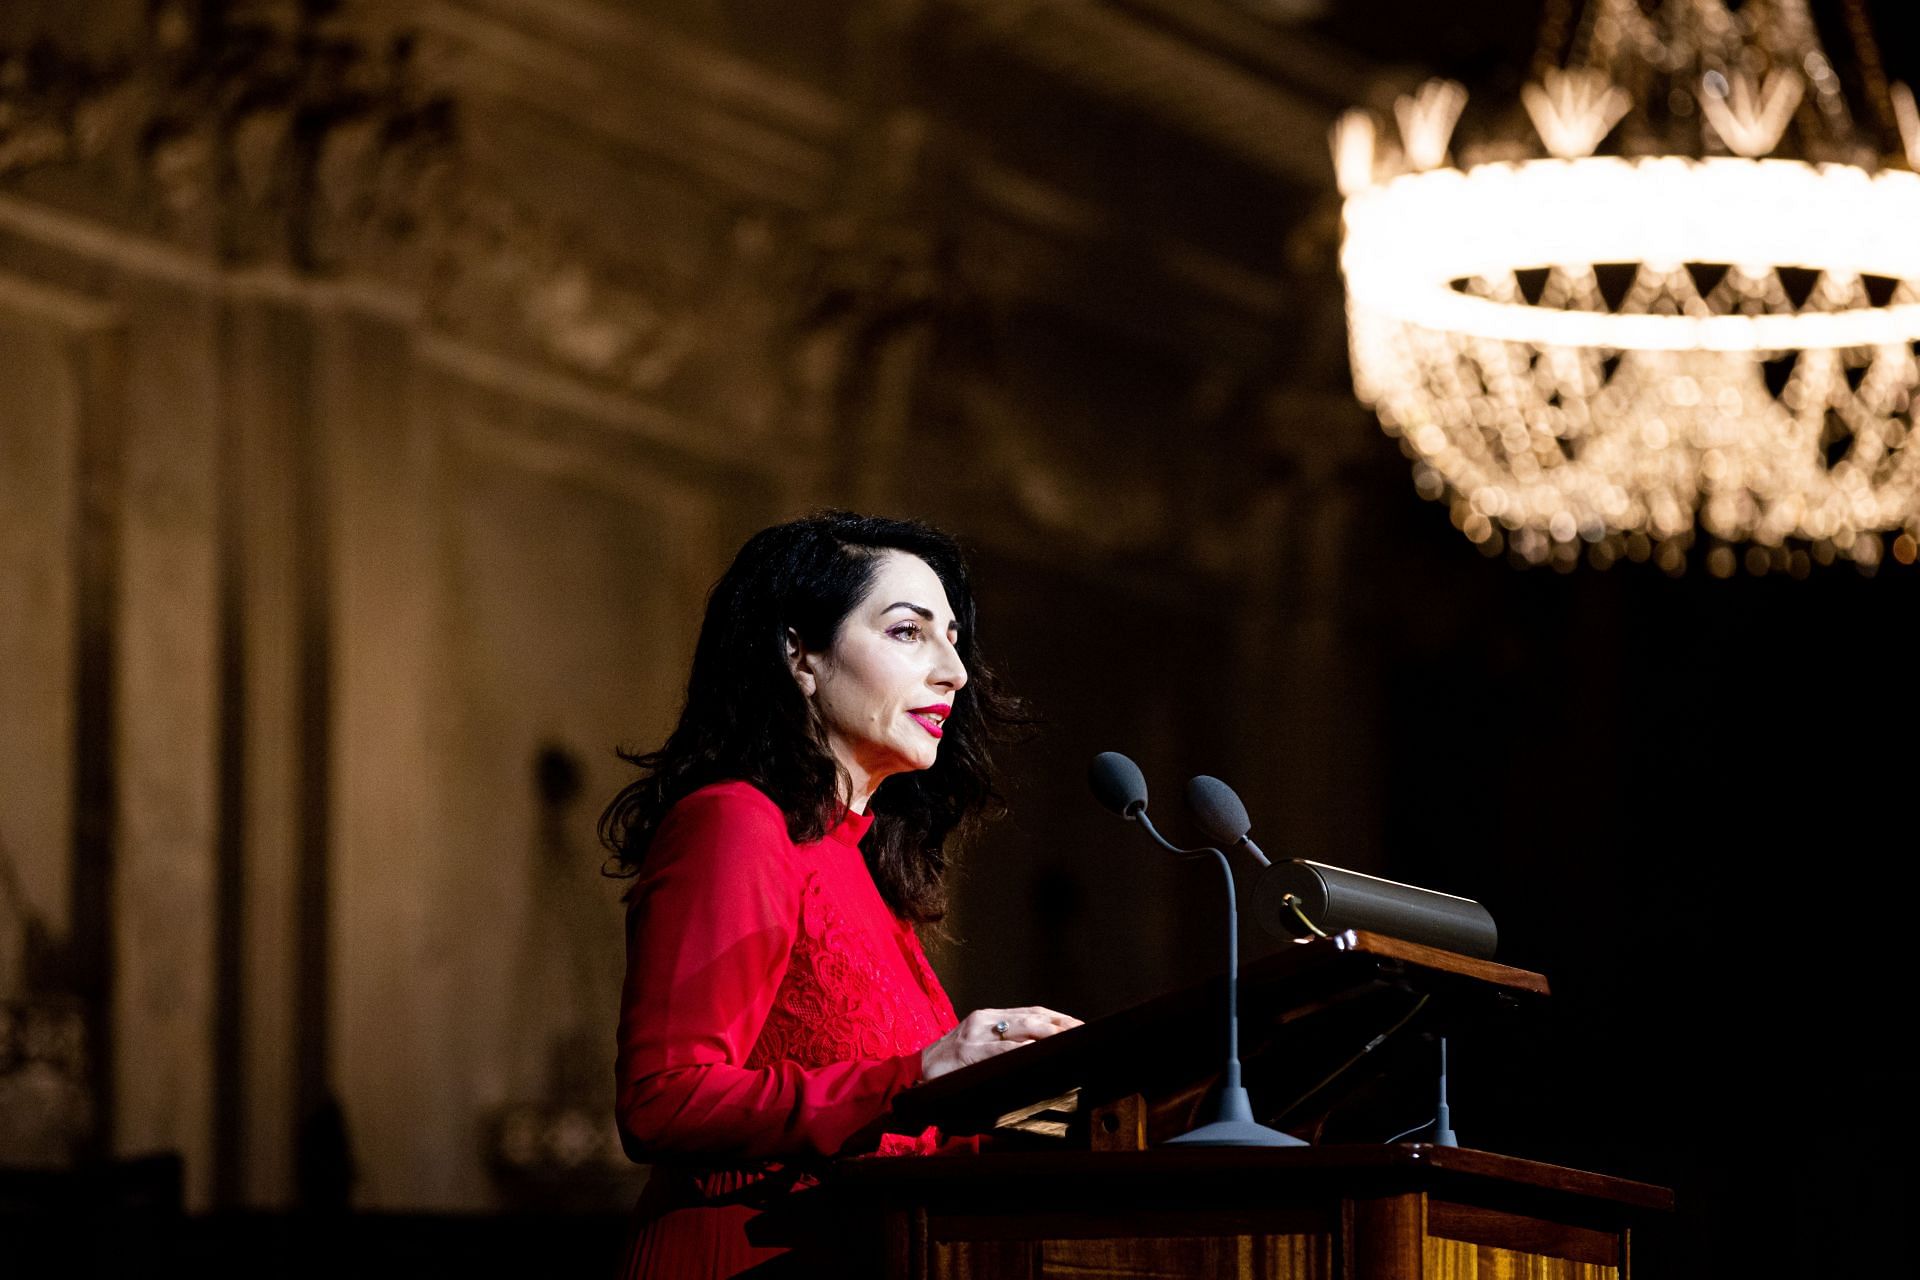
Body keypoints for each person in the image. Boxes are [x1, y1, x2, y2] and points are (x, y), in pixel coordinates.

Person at [600, 511, 1080, 1278]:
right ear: (800, 654)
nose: (953, 672)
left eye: (952, 638)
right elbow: (664, 1100)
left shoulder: (860, 863)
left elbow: (885, 1123)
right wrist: (916, 1077)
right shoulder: (735, 822)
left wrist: (1039, 1105)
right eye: (906, 632)